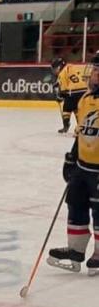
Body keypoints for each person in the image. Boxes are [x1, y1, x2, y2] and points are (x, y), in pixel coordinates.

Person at [48, 53, 99, 275]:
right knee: (75, 203)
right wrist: (72, 157)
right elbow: (82, 132)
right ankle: (76, 250)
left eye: (96, 70)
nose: (90, 74)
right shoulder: (86, 99)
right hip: (83, 166)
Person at [51, 57, 88, 134]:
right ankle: (80, 125)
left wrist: (60, 96)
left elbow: (64, 91)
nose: (54, 71)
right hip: (85, 90)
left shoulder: (62, 73)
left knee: (66, 108)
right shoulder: (73, 66)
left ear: (59, 67)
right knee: (77, 108)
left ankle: (66, 126)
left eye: (55, 69)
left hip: (74, 92)